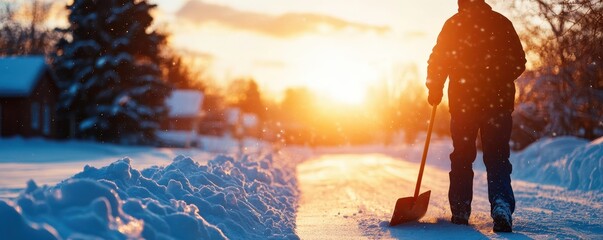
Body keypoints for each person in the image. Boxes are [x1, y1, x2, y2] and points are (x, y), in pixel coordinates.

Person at [426, 0, 526, 232]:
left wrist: (435, 87)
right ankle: (501, 204)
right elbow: (519, 61)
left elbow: (438, 59)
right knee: (497, 155)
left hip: (464, 104)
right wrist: (498, 79)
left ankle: (460, 209)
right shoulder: (501, 23)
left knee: (462, 155)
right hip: (497, 104)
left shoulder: (454, 24)